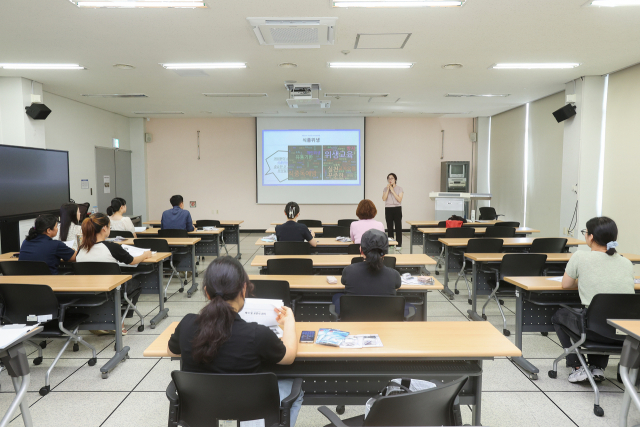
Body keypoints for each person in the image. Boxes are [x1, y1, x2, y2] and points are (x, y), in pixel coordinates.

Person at [168, 256, 303, 425]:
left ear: (207, 292)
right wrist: (289, 320)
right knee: (293, 386)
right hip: (250, 412)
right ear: (243, 289)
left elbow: (171, 350)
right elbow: (289, 356)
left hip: (202, 412)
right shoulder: (257, 333)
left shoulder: (187, 323)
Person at [552, 216, 634, 383]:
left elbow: (566, 285)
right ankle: (597, 368)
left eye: (585, 232)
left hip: (593, 331)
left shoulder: (580, 256)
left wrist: (582, 278)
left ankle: (577, 367)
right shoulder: (626, 262)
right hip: (624, 333)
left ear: (591, 237)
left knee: (560, 315)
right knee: (605, 315)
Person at [77, 213, 152, 334]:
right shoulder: (112, 247)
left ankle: (100, 322)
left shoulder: (81, 249)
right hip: (114, 289)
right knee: (136, 283)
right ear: (104, 228)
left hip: (89, 291)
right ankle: (119, 321)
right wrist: (145, 255)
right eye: (109, 227)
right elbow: (132, 261)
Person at [333, 229, 401, 314]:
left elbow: (344, 282)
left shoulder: (348, 271)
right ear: (384, 253)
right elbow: (396, 286)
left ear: (361, 250)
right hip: (384, 319)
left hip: (353, 318)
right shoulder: (394, 275)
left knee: (337, 297)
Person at [382, 173, 404, 250]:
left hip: (397, 208)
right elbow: (384, 199)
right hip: (388, 209)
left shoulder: (399, 188)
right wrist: (388, 189)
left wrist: (392, 190)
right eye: (389, 178)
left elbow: (399, 199)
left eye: (392, 178)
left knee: (398, 227)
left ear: (395, 179)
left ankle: (398, 244)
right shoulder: (385, 189)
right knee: (389, 227)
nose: (390, 180)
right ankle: (391, 244)